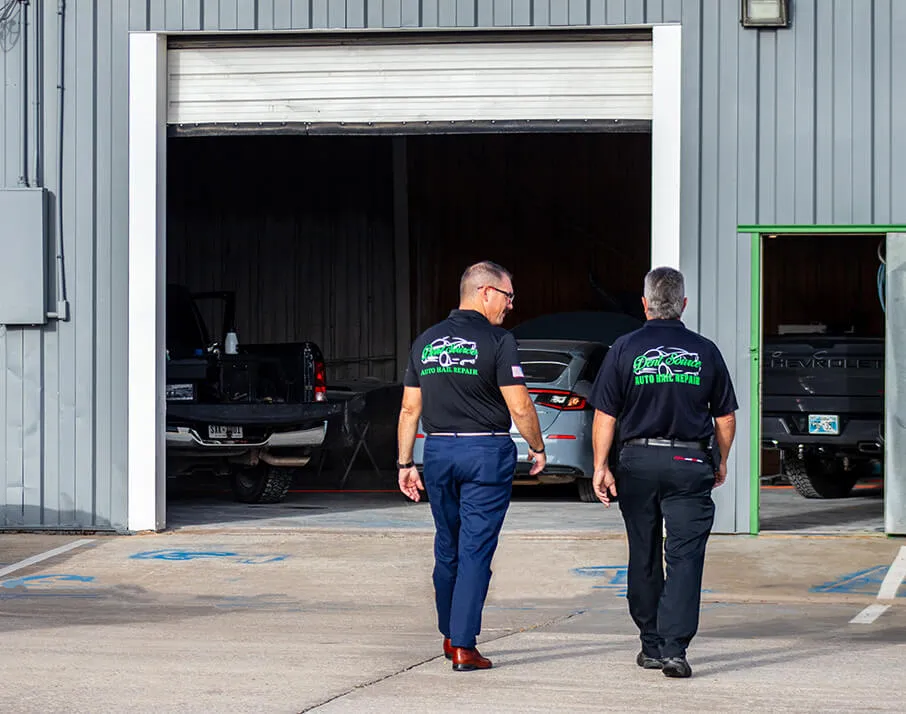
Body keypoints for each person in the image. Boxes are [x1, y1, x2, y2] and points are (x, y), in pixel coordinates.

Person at [396, 260, 546, 672]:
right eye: (508, 296)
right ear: (485, 292)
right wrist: (537, 447)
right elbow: (519, 404)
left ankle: (449, 633)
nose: (511, 306)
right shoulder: (499, 341)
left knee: (448, 546)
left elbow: (410, 409)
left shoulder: (425, 342)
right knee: (475, 548)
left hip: (438, 452)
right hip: (485, 453)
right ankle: (463, 645)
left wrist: (405, 463)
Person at [588, 266, 737, 679]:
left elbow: (605, 415)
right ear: (683, 304)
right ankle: (675, 649)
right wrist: (720, 459)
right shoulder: (705, 350)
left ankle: (650, 643)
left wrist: (601, 466)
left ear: (645, 304)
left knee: (644, 549)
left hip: (636, 462)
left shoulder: (624, 348)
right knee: (685, 557)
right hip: (690, 463)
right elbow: (725, 418)